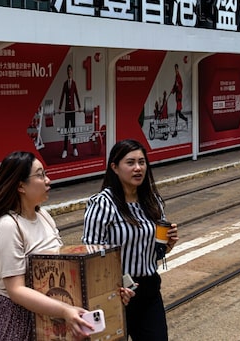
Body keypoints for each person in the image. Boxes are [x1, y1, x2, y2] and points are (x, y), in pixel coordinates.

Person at [0, 151, 93, 340]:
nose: (48, 180)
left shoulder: (44, 216)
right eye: (40, 175)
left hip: (50, 315)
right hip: (19, 321)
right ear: (21, 186)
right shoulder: (8, 226)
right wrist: (65, 310)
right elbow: (15, 290)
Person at [82, 139, 178, 341]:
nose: (138, 168)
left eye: (142, 162)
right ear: (115, 167)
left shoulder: (153, 201)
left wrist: (167, 246)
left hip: (149, 290)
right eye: (131, 162)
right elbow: (89, 255)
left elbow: (154, 251)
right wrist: (109, 289)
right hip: (116, 293)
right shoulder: (102, 204)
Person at [58, 64, 81, 159]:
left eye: (70, 71)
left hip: (73, 110)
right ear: (67, 72)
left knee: (73, 130)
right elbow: (62, 96)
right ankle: (65, 150)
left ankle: (75, 148)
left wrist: (79, 107)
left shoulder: (74, 83)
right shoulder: (64, 84)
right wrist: (59, 108)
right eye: (68, 71)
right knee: (66, 130)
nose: (69, 72)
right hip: (67, 110)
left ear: (72, 72)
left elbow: (76, 95)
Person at [170, 63, 188, 132]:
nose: (175, 70)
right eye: (175, 69)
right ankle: (186, 119)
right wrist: (172, 90)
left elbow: (181, 87)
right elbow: (175, 86)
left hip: (179, 98)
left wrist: (177, 87)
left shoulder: (179, 77)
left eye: (176, 68)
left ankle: (175, 131)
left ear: (178, 69)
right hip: (177, 97)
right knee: (179, 114)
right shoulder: (176, 76)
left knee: (177, 114)